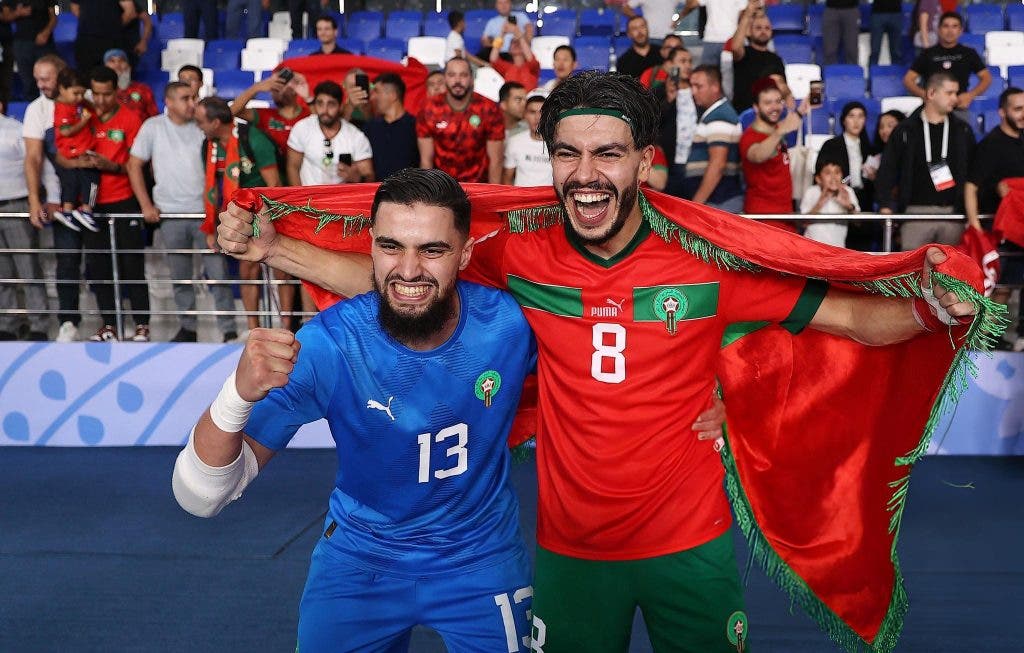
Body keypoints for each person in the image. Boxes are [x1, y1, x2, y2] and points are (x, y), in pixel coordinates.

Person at [214, 71, 981, 653]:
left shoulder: (706, 262)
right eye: (568, 153)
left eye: (608, 154)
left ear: (646, 162)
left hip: (693, 545)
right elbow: (409, 281)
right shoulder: (521, 251)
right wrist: (276, 246)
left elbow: (848, 315)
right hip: (570, 553)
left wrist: (924, 311)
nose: (586, 174)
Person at [173, 168, 538, 650]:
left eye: (432, 250)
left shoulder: (510, 324)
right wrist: (236, 393)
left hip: (482, 561)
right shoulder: (330, 343)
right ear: (370, 246)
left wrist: (278, 249)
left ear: (465, 254)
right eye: (391, 247)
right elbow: (201, 496)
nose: (409, 270)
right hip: (360, 565)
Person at [127, 81, 239, 343]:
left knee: (218, 273)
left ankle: (229, 329)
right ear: (168, 101)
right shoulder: (153, 127)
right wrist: (145, 205)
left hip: (206, 214)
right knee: (180, 276)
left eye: (194, 97)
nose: (192, 103)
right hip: (170, 215)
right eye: (185, 98)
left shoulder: (204, 126)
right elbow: (134, 165)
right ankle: (188, 328)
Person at [69, 65, 150, 342]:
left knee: (131, 265)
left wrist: (110, 166)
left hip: (124, 200)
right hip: (91, 206)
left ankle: (141, 324)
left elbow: (138, 165)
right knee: (99, 267)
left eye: (106, 94)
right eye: (97, 94)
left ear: (116, 92)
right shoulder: (84, 117)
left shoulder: (130, 119)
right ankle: (110, 325)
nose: (101, 100)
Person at [196, 96, 282, 336]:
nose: (198, 127)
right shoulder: (209, 146)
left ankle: (288, 327)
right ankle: (253, 329)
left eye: (200, 122)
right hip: (239, 213)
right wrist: (213, 226)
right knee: (247, 270)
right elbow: (213, 188)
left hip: (268, 210)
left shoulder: (252, 138)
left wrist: (264, 221)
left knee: (282, 270)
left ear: (215, 122)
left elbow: (274, 184)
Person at [876, 71, 976, 250]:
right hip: (915, 213)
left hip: (953, 213)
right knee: (912, 273)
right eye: (949, 93)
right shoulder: (905, 130)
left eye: (956, 93)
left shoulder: (963, 130)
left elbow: (973, 172)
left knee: (949, 275)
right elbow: (887, 170)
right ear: (931, 93)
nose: (955, 98)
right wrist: (885, 204)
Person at [23, 54, 79, 342]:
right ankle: (68, 321)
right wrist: (35, 199)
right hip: (58, 202)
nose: (40, 84)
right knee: (66, 262)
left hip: (95, 199)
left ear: (62, 74)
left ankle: (114, 324)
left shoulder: (83, 99)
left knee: (102, 265)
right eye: (36, 78)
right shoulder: (36, 109)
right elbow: (32, 158)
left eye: (46, 77)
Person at [965, 87, 1024, 351]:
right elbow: (971, 186)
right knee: (1000, 289)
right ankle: (986, 342)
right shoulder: (990, 145)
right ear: (1002, 112)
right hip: (999, 232)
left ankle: (1013, 337)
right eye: (1018, 109)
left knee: (1016, 286)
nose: (1023, 115)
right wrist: (975, 226)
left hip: (1022, 231)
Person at [0, 98, 50, 340]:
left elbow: (36, 163)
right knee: (1, 273)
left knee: (28, 267)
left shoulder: (17, 130)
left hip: (15, 204)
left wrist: (35, 200)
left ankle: (39, 324)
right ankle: (7, 323)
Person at [416, 57, 504, 184]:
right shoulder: (428, 109)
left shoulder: (489, 109)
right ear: (445, 78)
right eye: (452, 75)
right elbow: (426, 160)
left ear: (472, 79)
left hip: (479, 186)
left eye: (463, 75)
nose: (457, 81)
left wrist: (494, 198)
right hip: (442, 188)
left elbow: (496, 160)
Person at [739, 78, 806, 225]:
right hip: (762, 220)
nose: (775, 107)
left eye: (778, 101)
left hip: (785, 217)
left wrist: (801, 111)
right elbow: (757, 155)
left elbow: (789, 121)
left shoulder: (776, 129)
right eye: (768, 103)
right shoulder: (749, 137)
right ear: (756, 107)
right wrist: (781, 131)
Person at [904, 11, 990, 122]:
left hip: (959, 109)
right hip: (933, 109)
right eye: (946, 26)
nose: (950, 31)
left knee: (960, 139)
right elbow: (908, 79)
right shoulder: (928, 53)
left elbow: (986, 78)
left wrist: (970, 95)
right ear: (939, 30)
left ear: (960, 31)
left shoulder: (969, 53)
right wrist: (925, 95)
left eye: (954, 26)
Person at [286, 80, 374, 187]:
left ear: (341, 106)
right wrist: (299, 199)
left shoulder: (356, 136)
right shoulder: (302, 128)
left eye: (331, 104)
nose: (325, 110)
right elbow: (293, 167)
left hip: (340, 200)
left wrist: (358, 178)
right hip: (307, 199)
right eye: (320, 103)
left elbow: (370, 176)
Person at [685, 64, 743, 212]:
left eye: (698, 86)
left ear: (715, 86)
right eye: (691, 86)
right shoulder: (715, 114)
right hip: (716, 201)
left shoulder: (719, 116)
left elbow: (717, 165)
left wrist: (696, 204)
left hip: (719, 202)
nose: (693, 92)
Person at [231, 67, 313, 170]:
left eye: (282, 83)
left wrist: (307, 96)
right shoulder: (264, 115)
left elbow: (324, 124)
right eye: (273, 84)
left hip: (304, 173)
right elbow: (230, 113)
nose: (276, 88)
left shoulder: (308, 114)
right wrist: (256, 88)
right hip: (273, 173)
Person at [52, 67, 99, 233]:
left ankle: (69, 211)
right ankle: (85, 210)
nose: (79, 97)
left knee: (74, 183)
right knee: (91, 180)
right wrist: (84, 121)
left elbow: (97, 111)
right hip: (74, 152)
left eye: (82, 93)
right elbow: (65, 131)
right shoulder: (62, 108)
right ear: (62, 89)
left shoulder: (79, 104)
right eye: (76, 93)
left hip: (82, 151)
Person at [729, 1, 790, 115]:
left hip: (770, 114)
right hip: (744, 113)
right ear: (749, 32)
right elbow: (736, 47)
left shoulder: (776, 59)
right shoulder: (744, 53)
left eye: (767, 28)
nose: (763, 31)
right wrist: (747, 14)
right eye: (758, 28)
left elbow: (785, 92)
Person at [654, 47, 696, 198]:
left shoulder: (698, 90)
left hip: (694, 162)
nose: (688, 66)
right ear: (670, 65)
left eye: (690, 62)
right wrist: (669, 100)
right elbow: (652, 122)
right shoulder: (659, 91)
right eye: (682, 61)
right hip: (670, 162)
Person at [817, 101, 874, 212]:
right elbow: (820, 172)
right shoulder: (831, 145)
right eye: (851, 116)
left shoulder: (869, 147)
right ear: (844, 120)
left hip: (864, 198)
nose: (856, 121)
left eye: (860, 116)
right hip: (837, 197)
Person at [361, 72, 418, 181]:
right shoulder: (370, 127)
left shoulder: (415, 126)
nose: (372, 97)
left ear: (393, 95)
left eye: (377, 91)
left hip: (409, 195)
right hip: (377, 194)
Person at [1, 0, 56, 102]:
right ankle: (33, 110)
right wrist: (18, 13)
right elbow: (4, 16)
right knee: (28, 82)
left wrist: (46, 33)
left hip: (44, 43)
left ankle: (51, 107)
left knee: (49, 78)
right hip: (21, 43)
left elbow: (53, 17)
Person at [799, 157, 860, 246]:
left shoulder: (847, 191)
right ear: (818, 179)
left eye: (837, 172)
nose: (834, 177)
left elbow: (858, 223)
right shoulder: (811, 191)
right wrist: (820, 203)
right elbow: (803, 224)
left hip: (838, 250)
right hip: (811, 249)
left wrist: (849, 206)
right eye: (828, 173)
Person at [69, 0, 137, 72]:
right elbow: (75, 9)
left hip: (110, 40)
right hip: (86, 40)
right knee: (85, 74)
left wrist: (112, 28)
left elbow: (130, 12)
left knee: (115, 74)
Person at [502, 90, 551, 187]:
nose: (537, 118)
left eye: (542, 112)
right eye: (532, 112)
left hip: (552, 201)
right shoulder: (514, 142)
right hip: (521, 200)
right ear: (525, 115)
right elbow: (507, 179)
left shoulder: (559, 143)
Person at [680, 0, 747, 66]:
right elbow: (744, 15)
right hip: (717, 39)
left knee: (726, 74)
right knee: (711, 74)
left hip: (728, 40)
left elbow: (691, 4)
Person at [104, 47, 158, 120]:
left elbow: (154, 119)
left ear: (129, 67)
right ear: (105, 68)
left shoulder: (143, 89)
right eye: (112, 61)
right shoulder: (98, 92)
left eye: (122, 60)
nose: (117, 65)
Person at [489, 27, 539, 92]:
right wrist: (502, 34)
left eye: (519, 42)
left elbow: (531, 59)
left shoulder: (532, 66)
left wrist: (520, 36)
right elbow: (493, 59)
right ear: (509, 50)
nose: (516, 43)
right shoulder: (506, 67)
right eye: (513, 42)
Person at [822, 0, 860, 65]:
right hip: (831, 10)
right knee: (829, 49)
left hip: (851, 10)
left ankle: (853, 73)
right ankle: (830, 73)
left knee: (851, 49)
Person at [869, 0, 904, 67]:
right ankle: (872, 72)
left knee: (896, 50)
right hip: (878, 13)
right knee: (875, 49)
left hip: (896, 13)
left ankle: (896, 74)